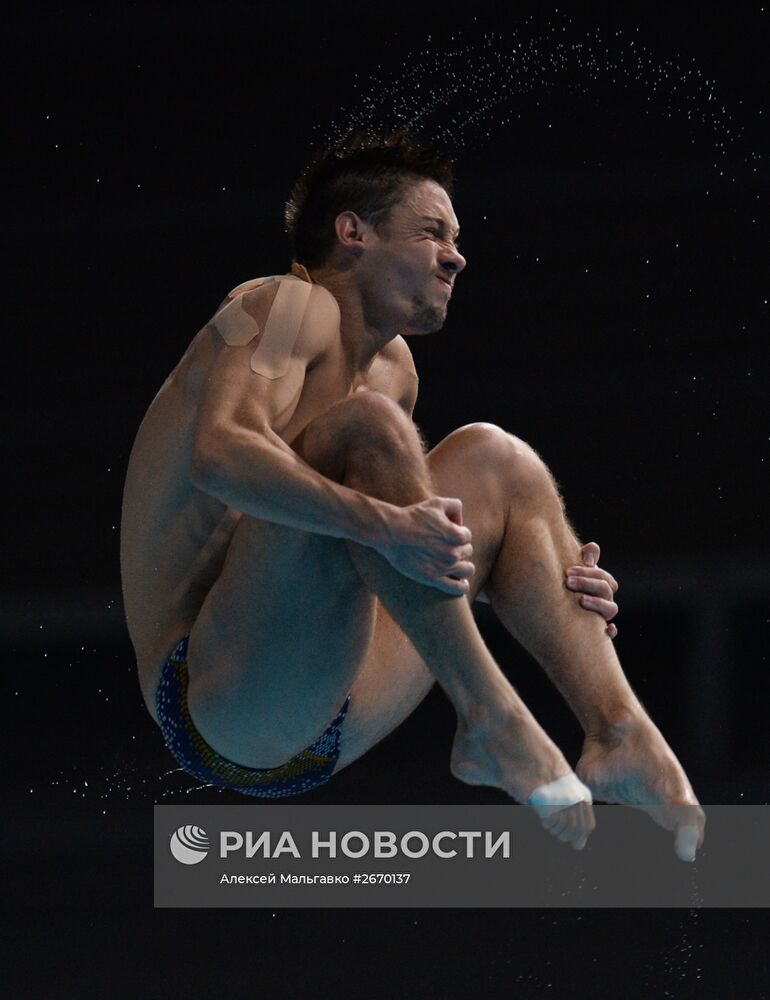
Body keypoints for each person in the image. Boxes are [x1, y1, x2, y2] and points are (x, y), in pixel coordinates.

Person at [121, 132, 704, 859]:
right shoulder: (283, 305)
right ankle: (491, 717)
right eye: (432, 232)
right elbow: (220, 455)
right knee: (367, 430)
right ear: (352, 232)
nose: (456, 255)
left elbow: (395, 556)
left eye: (457, 239)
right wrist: (387, 526)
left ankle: (620, 730)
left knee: (497, 459)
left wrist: (546, 585)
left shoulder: (395, 369)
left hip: (337, 697)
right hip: (219, 700)